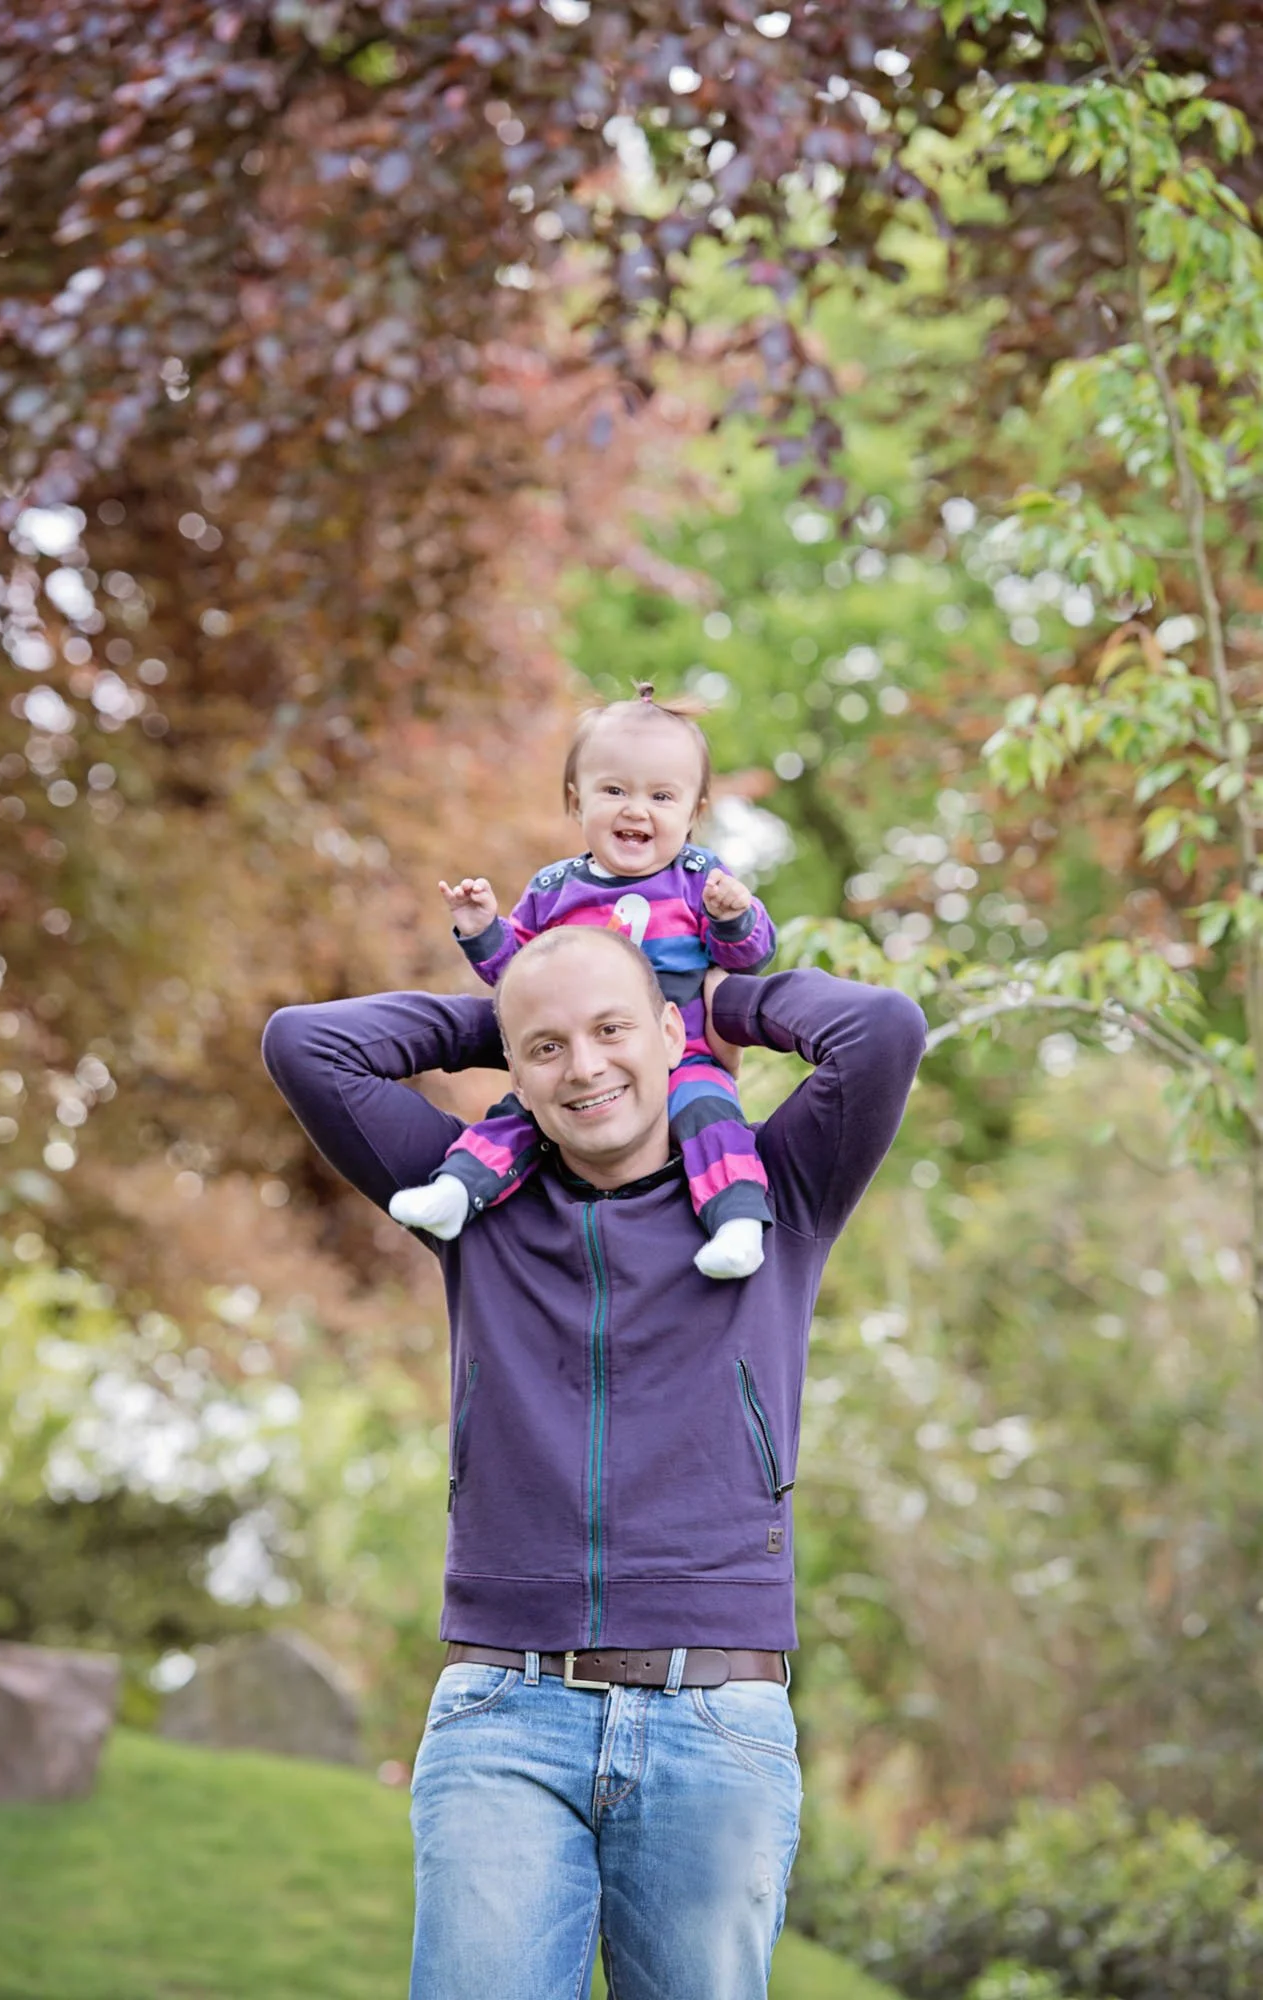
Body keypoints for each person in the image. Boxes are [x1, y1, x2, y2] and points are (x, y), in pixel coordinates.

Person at [262, 923, 925, 1999]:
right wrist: (521, 1006)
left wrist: (714, 1002)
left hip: (716, 1712)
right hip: (502, 1712)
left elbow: (880, 1028)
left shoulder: (777, 1190)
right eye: (547, 1049)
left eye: (614, 1031)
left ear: (669, 1035)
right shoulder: (466, 1195)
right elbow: (305, 1044)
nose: (586, 1067)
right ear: (515, 1068)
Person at [387, 683, 778, 1279]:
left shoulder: (699, 879)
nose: (635, 809)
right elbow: (516, 976)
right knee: (518, 1113)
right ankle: (454, 1194)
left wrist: (733, 917)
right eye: (614, 791)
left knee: (710, 1116)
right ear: (577, 802)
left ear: (694, 812)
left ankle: (737, 1222)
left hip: (686, 1052)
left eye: (662, 796)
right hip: (577, 1050)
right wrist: (481, 929)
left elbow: (750, 958)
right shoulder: (555, 889)